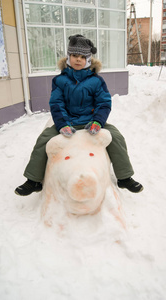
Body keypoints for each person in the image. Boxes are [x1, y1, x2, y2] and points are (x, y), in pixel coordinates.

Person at [15, 34, 143, 196]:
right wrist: (62, 124)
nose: (78, 60)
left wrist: (98, 121)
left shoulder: (96, 81)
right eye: (74, 55)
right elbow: (56, 103)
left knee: (116, 137)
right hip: (68, 121)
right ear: (68, 57)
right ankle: (33, 180)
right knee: (43, 139)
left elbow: (103, 103)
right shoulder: (59, 81)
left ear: (88, 60)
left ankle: (125, 178)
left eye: (83, 57)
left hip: (91, 121)